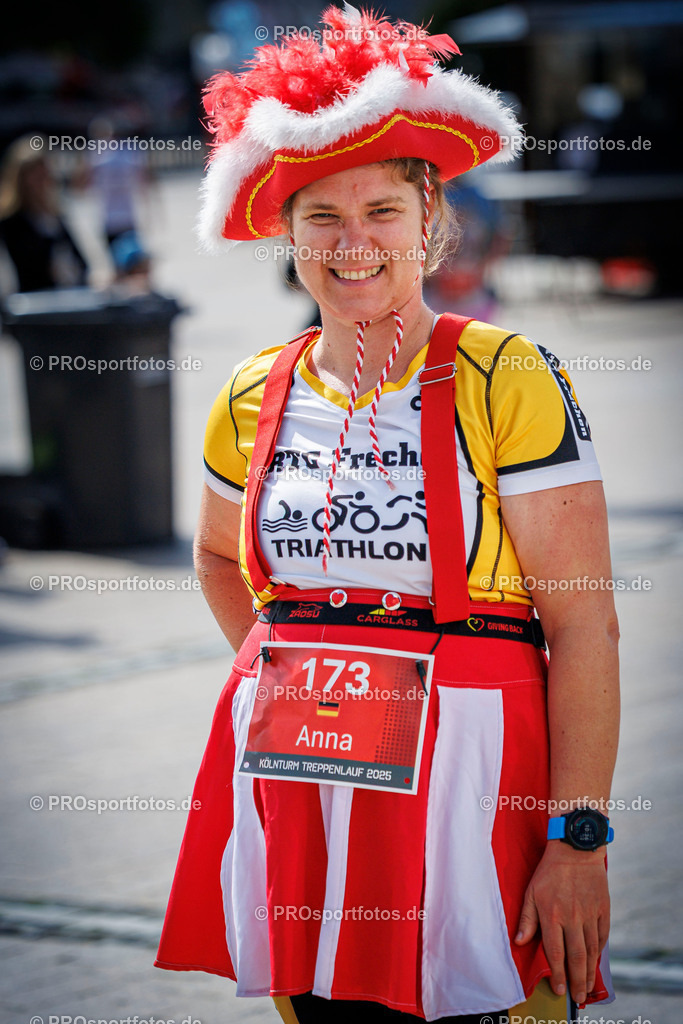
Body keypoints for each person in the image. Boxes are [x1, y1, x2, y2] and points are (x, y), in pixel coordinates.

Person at [155, 8, 620, 1023]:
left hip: (477, 796)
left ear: (431, 220)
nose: (352, 242)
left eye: (380, 211)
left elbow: (582, 622)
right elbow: (215, 556)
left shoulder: (507, 372)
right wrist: (285, 679)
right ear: (286, 234)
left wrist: (576, 839)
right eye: (320, 216)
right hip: (310, 797)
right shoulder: (252, 388)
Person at [0, 135, 87, 293]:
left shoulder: (56, 217)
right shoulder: (10, 222)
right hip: (30, 303)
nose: (42, 181)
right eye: (35, 175)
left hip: (64, 298)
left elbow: (79, 260)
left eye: (45, 173)